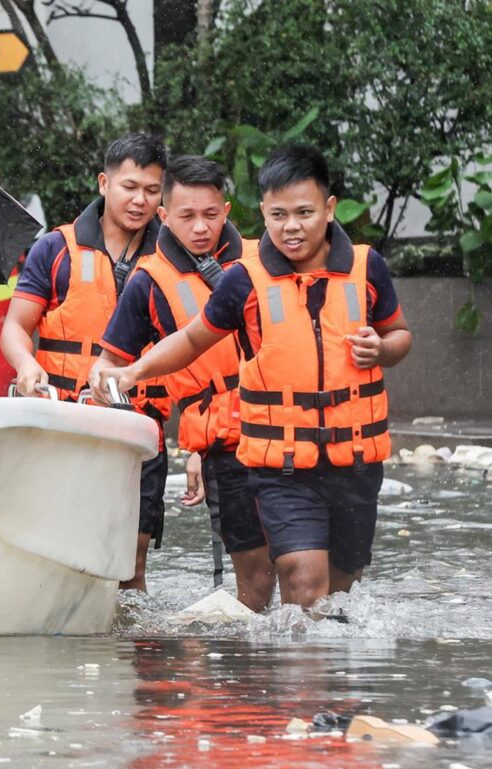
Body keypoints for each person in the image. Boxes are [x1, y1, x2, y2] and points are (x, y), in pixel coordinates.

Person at [96, 144, 412, 611]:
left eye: (304, 213)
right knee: (297, 579)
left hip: (353, 461)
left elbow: (400, 335)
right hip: (273, 461)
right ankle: (277, 657)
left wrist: (383, 349)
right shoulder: (241, 278)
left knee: (341, 594)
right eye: (279, 215)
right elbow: (192, 339)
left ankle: (312, 655)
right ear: (263, 212)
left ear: (329, 209)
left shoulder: (367, 267)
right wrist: (133, 372)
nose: (291, 226)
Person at [89, 155, 275, 610]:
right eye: (187, 216)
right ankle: (250, 652)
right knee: (254, 575)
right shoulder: (148, 282)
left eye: (211, 214)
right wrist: (101, 387)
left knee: (298, 566)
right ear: (164, 216)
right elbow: (109, 363)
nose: (200, 227)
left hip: (283, 429)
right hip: (222, 445)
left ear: (226, 210)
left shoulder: (266, 257)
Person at [0, 132, 170, 592]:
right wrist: (25, 364)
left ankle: (128, 635)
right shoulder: (55, 249)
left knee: (132, 566)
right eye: (129, 187)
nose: (140, 200)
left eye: (152, 190)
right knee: (57, 554)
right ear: (104, 183)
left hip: (139, 426)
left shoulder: (172, 256)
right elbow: (15, 327)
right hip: (66, 423)